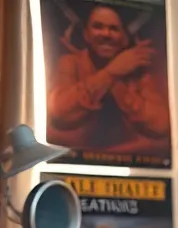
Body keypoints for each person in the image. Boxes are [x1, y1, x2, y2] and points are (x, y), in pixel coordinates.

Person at [47, 3, 170, 155]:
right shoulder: (71, 62)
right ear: (86, 34)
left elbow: (160, 125)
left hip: (130, 164)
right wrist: (110, 73)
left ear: (124, 38)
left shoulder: (138, 70)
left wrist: (116, 78)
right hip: (73, 162)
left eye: (114, 29)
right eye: (98, 27)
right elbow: (60, 114)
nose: (106, 34)